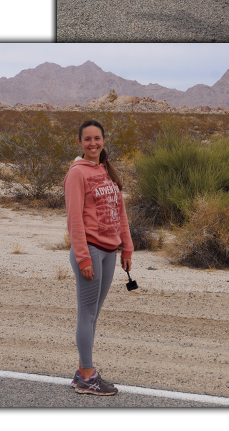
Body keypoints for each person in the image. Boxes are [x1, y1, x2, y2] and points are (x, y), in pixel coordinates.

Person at [64, 119, 133, 395]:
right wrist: (83, 258)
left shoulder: (107, 170)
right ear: (80, 143)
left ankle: (84, 371)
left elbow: (121, 213)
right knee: (87, 313)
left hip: (109, 251)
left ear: (104, 140)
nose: (93, 143)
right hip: (90, 250)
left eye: (97, 138)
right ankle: (87, 376)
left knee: (93, 315)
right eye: (87, 139)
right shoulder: (76, 174)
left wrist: (126, 247)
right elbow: (74, 220)